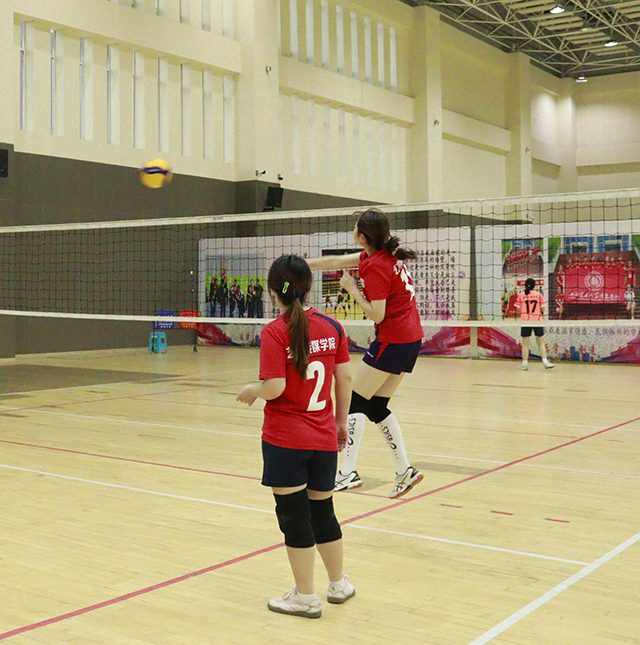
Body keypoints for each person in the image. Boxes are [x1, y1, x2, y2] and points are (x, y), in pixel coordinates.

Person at [236, 254, 355, 619]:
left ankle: (305, 597)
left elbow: (275, 386)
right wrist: (340, 423)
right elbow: (345, 378)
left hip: (286, 440)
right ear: (308, 287)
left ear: (274, 292)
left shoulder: (275, 331)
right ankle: (338, 584)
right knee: (322, 512)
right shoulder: (332, 326)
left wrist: (252, 390)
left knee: (294, 518)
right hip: (323, 438)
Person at [307, 207, 424, 499]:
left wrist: (352, 289)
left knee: (354, 401)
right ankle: (405, 470)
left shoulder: (375, 266)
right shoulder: (381, 255)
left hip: (393, 339)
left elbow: (377, 313)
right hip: (411, 340)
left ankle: (347, 472)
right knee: (375, 407)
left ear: (362, 236)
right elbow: (336, 260)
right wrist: (302, 264)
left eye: (355, 227)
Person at [515, 277, 555, 370]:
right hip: (537, 320)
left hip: (525, 321)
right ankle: (545, 361)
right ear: (534, 286)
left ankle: (524, 363)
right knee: (540, 342)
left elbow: (518, 309)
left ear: (525, 285)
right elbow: (543, 309)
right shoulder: (538, 295)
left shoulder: (521, 295)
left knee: (525, 344)